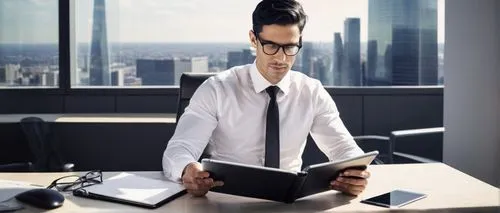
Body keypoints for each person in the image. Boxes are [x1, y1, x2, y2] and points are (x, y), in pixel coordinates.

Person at [163, 0, 370, 197]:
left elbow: (342, 147)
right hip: (227, 201)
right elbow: (179, 149)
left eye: (290, 47)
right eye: (270, 46)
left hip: (290, 202)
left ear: (300, 42)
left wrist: (355, 172)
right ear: (253, 39)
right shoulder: (217, 89)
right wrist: (187, 170)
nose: (280, 58)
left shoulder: (311, 92)